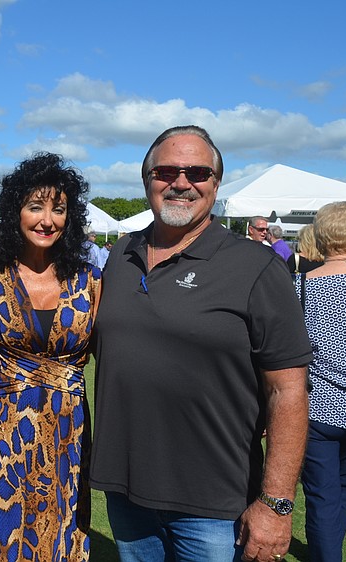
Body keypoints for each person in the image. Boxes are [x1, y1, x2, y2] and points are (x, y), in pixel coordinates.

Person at [90, 125, 312, 562]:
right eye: (167, 170)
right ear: (146, 179)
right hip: (125, 491)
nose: (181, 182)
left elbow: (288, 390)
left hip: (215, 504)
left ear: (215, 183)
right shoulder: (120, 256)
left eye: (197, 172)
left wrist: (277, 504)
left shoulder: (256, 267)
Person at [0, 152, 100, 561]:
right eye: (35, 206)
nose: (47, 220)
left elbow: (110, 354)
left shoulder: (89, 282)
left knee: (61, 530)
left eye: (58, 209)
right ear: (14, 212)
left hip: (67, 429)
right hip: (4, 430)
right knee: (1, 533)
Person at [294, 201, 346, 562]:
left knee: (323, 497)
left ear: (321, 236)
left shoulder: (299, 288)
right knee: (345, 490)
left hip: (317, 410)